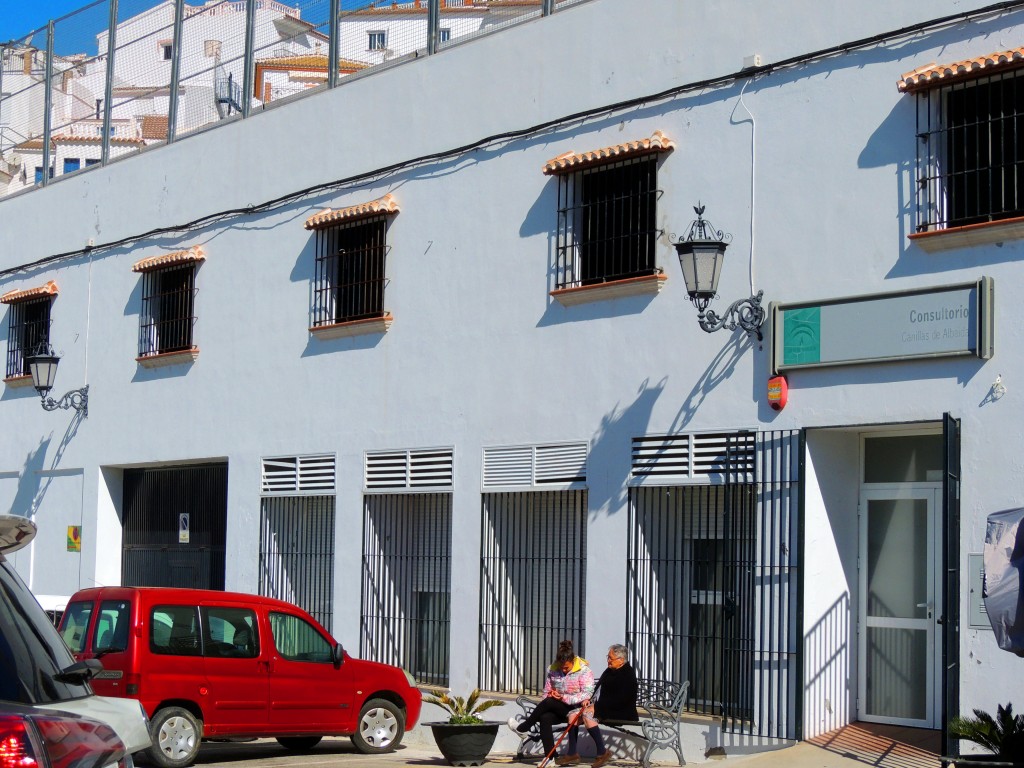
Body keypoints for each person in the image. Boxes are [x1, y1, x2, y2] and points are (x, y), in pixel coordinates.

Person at [508, 639, 594, 760]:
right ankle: (550, 757)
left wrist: (563, 697)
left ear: (573, 661)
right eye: (561, 667)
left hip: (576, 709)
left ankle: (523, 728)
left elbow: (587, 693)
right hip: (558, 707)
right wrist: (551, 694)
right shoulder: (553, 670)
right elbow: (546, 691)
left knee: (549, 702)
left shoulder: (584, 671)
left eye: (566, 667)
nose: (563, 670)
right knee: (545, 717)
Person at [556, 644, 638, 768]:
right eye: (608, 657)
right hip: (603, 706)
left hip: (620, 710)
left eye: (611, 658)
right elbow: (598, 690)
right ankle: (572, 753)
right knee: (573, 716)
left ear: (621, 660)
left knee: (587, 715)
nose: (608, 660)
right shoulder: (610, 670)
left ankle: (602, 753)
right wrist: (589, 700)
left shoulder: (628, 674)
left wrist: (597, 707)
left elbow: (622, 699)